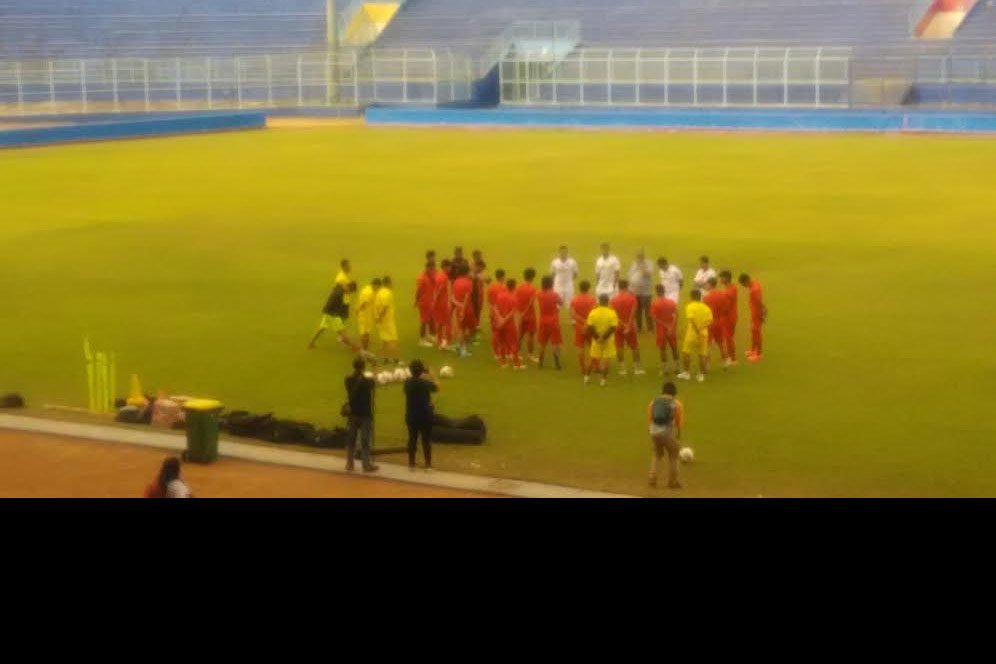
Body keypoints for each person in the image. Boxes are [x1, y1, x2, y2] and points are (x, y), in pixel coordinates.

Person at [647, 382, 685, 490]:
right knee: (673, 456)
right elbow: (679, 424)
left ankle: (652, 478)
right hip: (667, 433)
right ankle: (673, 482)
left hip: (654, 432)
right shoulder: (677, 404)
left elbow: (650, 420)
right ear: (674, 392)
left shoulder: (653, 402)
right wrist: (678, 437)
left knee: (657, 455)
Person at [404, 360, 439, 471]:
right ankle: (428, 465)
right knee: (426, 440)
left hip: (411, 415)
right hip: (425, 415)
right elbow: (437, 387)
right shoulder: (425, 383)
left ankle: (411, 464)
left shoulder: (407, 382)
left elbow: (415, 382)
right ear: (421, 371)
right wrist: (432, 375)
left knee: (412, 439)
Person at [344, 357, 378, 473]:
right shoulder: (367, 382)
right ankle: (366, 464)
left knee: (351, 439)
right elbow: (374, 382)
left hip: (353, 413)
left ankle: (349, 463)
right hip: (365, 414)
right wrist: (374, 368)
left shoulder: (348, 380)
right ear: (363, 367)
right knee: (365, 440)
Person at [308, 281, 363, 352]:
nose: (349, 293)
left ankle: (311, 343)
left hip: (327, 312)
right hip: (332, 315)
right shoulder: (339, 295)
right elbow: (332, 304)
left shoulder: (339, 287)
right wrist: (337, 315)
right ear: (349, 287)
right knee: (342, 332)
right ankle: (352, 347)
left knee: (321, 328)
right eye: (350, 291)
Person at [678, 289, 713, 383]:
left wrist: (697, 330)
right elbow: (710, 321)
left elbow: (691, 320)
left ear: (691, 297)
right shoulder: (706, 308)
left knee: (686, 353)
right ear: (700, 296)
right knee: (702, 354)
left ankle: (686, 373)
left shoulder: (690, 306)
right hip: (704, 334)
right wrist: (702, 328)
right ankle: (701, 375)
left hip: (692, 333)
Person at [611, 280, 644, 376]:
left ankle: (622, 369)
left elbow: (614, 314)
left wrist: (622, 323)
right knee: (634, 346)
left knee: (619, 347)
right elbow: (634, 313)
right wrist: (628, 325)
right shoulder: (632, 298)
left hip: (618, 326)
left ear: (618, 286)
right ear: (627, 286)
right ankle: (637, 368)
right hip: (630, 327)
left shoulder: (614, 299)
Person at [585, 294, 619, 387]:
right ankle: (603, 381)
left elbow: (590, 326)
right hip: (608, 340)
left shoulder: (593, 312)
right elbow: (613, 327)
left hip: (596, 340)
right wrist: (603, 338)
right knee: (606, 360)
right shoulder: (612, 312)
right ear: (608, 302)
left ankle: (586, 378)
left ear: (599, 301)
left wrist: (597, 338)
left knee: (592, 358)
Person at [703, 276, 732, 367]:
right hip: (719, 322)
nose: (705, 286)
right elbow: (727, 309)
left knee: (707, 344)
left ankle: (707, 364)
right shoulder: (722, 295)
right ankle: (726, 361)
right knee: (720, 343)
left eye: (706, 284)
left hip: (710, 323)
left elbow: (705, 311)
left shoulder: (706, 297)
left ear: (710, 284)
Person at [495, 279, 524, 370]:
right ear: (514, 287)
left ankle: (503, 363)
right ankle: (517, 365)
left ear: (506, 286)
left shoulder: (499, 295)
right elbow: (512, 312)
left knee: (501, 343)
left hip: (499, 323)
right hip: (509, 324)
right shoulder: (514, 298)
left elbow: (495, 308)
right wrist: (504, 320)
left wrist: (499, 318)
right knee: (513, 344)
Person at [650, 285, 679, 375]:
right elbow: (676, 315)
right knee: (674, 348)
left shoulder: (655, 303)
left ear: (657, 292)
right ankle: (677, 367)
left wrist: (665, 325)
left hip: (661, 329)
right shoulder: (671, 302)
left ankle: (665, 369)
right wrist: (671, 326)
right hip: (672, 328)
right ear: (664, 291)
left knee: (662, 349)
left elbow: (653, 317)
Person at [570, 281, 597, 374]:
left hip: (579, 327)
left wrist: (582, 322)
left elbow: (573, 314)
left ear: (579, 287)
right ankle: (595, 366)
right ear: (588, 288)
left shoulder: (574, 299)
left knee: (580, 348)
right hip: (591, 326)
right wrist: (587, 322)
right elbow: (594, 314)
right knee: (593, 347)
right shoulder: (592, 299)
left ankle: (582, 368)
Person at [536, 276, 563, 370]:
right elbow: (561, 303)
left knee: (543, 343)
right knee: (555, 343)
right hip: (553, 321)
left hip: (543, 321)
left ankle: (540, 362)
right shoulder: (554, 294)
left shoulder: (539, 293)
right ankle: (557, 363)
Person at [739, 273, 767, 362]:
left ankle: (758, 354)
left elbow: (759, 303)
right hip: (754, 313)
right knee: (753, 331)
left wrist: (762, 314)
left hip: (756, 314)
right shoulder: (754, 284)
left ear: (746, 281)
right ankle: (753, 350)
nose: (744, 286)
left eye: (743, 284)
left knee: (757, 332)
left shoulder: (754, 290)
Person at [450, 264, 475, 358]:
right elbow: (467, 298)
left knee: (462, 329)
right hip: (467, 309)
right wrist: (463, 311)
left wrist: (458, 305)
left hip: (458, 309)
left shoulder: (456, 281)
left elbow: (452, 297)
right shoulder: (468, 283)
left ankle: (460, 346)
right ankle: (462, 350)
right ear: (467, 272)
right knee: (467, 329)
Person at [515, 268, 539, 363]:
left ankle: (516, 353)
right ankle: (530, 355)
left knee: (520, 335)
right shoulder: (532, 288)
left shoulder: (518, 287)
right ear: (532, 277)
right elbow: (531, 302)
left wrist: (520, 312)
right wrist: (525, 312)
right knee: (530, 336)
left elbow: (515, 301)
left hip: (520, 315)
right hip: (529, 315)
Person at [374, 275, 399, 365]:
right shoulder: (387, 293)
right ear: (387, 283)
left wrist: (378, 318)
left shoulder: (379, 292)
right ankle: (396, 360)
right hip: (386, 321)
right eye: (391, 282)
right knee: (393, 340)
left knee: (384, 340)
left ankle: (385, 359)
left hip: (381, 321)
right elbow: (385, 307)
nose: (392, 284)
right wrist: (380, 317)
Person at [628, 250, 655, 333]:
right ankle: (639, 328)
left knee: (648, 311)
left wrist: (641, 266)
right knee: (637, 311)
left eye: (640, 256)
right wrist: (630, 288)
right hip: (635, 292)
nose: (638, 258)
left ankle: (650, 329)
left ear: (643, 256)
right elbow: (630, 275)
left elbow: (648, 274)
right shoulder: (633, 264)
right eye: (637, 256)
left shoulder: (649, 263)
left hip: (646, 292)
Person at [355, 278, 381, 354]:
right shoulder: (369, 292)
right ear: (375, 285)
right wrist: (358, 310)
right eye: (378, 287)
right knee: (365, 333)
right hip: (365, 316)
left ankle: (365, 349)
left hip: (365, 315)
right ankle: (364, 350)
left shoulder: (366, 289)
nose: (378, 289)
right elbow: (364, 303)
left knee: (365, 333)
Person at [486, 269, 507, 361]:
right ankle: (503, 352)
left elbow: (489, 301)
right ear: (502, 277)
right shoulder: (504, 288)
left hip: (492, 312)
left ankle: (496, 353)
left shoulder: (491, 287)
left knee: (495, 333)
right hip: (501, 313)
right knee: (502, 333)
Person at [415, 261, 437, 347]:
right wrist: (416, 300)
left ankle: (431, 336)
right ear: (428, 268)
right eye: (432, 269)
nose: (434, 271)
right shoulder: (422, 278)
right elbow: (418, 291)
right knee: (424, 321)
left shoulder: (431, 276)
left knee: (431, 318)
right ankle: (422, 340)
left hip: (430, 302)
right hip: (424, 303)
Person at [550, 245, 579, 310]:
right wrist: (554, 283)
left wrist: (570, 281)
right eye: (562, 252)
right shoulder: (555, 262)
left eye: (565, 252)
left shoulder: (572, 262)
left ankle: (572, 320)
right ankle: (556, 319)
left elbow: (575, 274)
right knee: (556, 305)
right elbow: (552, 274)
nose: (563, 253)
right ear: (559, 252)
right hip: (558, 286)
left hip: (569, 286)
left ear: (567, 252)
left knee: (571, 305)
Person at [433, 259, 453, 350]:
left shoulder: (438, 275)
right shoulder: (444, 277)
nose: (450, 269)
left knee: (440, 323)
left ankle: (439, 342)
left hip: (438, 304)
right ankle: (446, 343)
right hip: (443, 304)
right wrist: (436, 299)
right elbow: (440, 289)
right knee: (447, 323)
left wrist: (434, 301)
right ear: (445, 267)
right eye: (449, 267)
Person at [719, 270, 738, 365]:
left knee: (728, 337)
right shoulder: (729, 287)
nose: (720, 279)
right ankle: (731, 357)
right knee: (728, 337)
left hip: (729, 317)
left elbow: (727, 306)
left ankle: (732, 358)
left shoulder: (731, 290)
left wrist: (719, 311)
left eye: (721, 277)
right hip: (728, 316)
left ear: (726, 278)